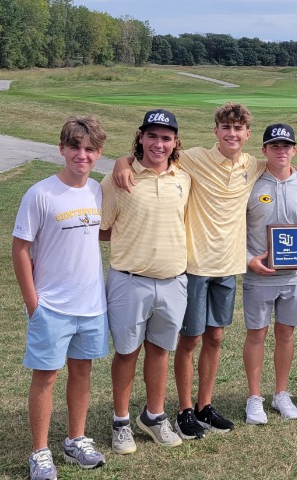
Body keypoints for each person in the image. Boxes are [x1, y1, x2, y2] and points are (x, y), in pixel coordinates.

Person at [112, 103, 265, 434]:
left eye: (238, 129)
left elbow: (285, 164)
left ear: (247, 134)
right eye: (226, 127)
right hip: (194, 265)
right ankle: (183, 410)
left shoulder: (253, 165)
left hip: (228, 265)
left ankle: (204, 406)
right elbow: (152, 156)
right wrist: (120, 161)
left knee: (216, 336)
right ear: (216, 131)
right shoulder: (192, 158)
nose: (232, 134)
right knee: (190, 339)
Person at [13, 116, 108, 480]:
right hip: (51, 305)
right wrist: (33, 303)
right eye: (74, 147)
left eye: (89, 149)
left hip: (91, 304)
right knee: (46, 377)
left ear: (99, 154)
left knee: (82, 371)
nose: (81, 155)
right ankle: (39, 451)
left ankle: (76, 439)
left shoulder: (97, 191)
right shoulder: (41, 193)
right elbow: (20, 249)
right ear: (62, 149)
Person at [100, 109, 191, 453]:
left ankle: (153, 415)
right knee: (126, 352)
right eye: (152, 136)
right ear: (140, 137)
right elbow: (102, 228)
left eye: (166, 138)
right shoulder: (118, 179)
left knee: (159, 351)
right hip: (129, 280)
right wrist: (122, 163)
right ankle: (121, 421)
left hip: (172, 280)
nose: (158, 143)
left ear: (175, 142)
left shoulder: (184, 178)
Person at [242, 124, 297, 424]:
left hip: (295, 276)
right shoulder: (251, 183)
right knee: (257, 334)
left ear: (294, 150)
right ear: (264, 150)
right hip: (259, 274)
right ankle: (254, 397)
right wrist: (249, 260)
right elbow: (236, 228)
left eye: (286, 146)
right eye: (274, 146)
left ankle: (281, 393)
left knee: (286, 335)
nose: (281, 150)